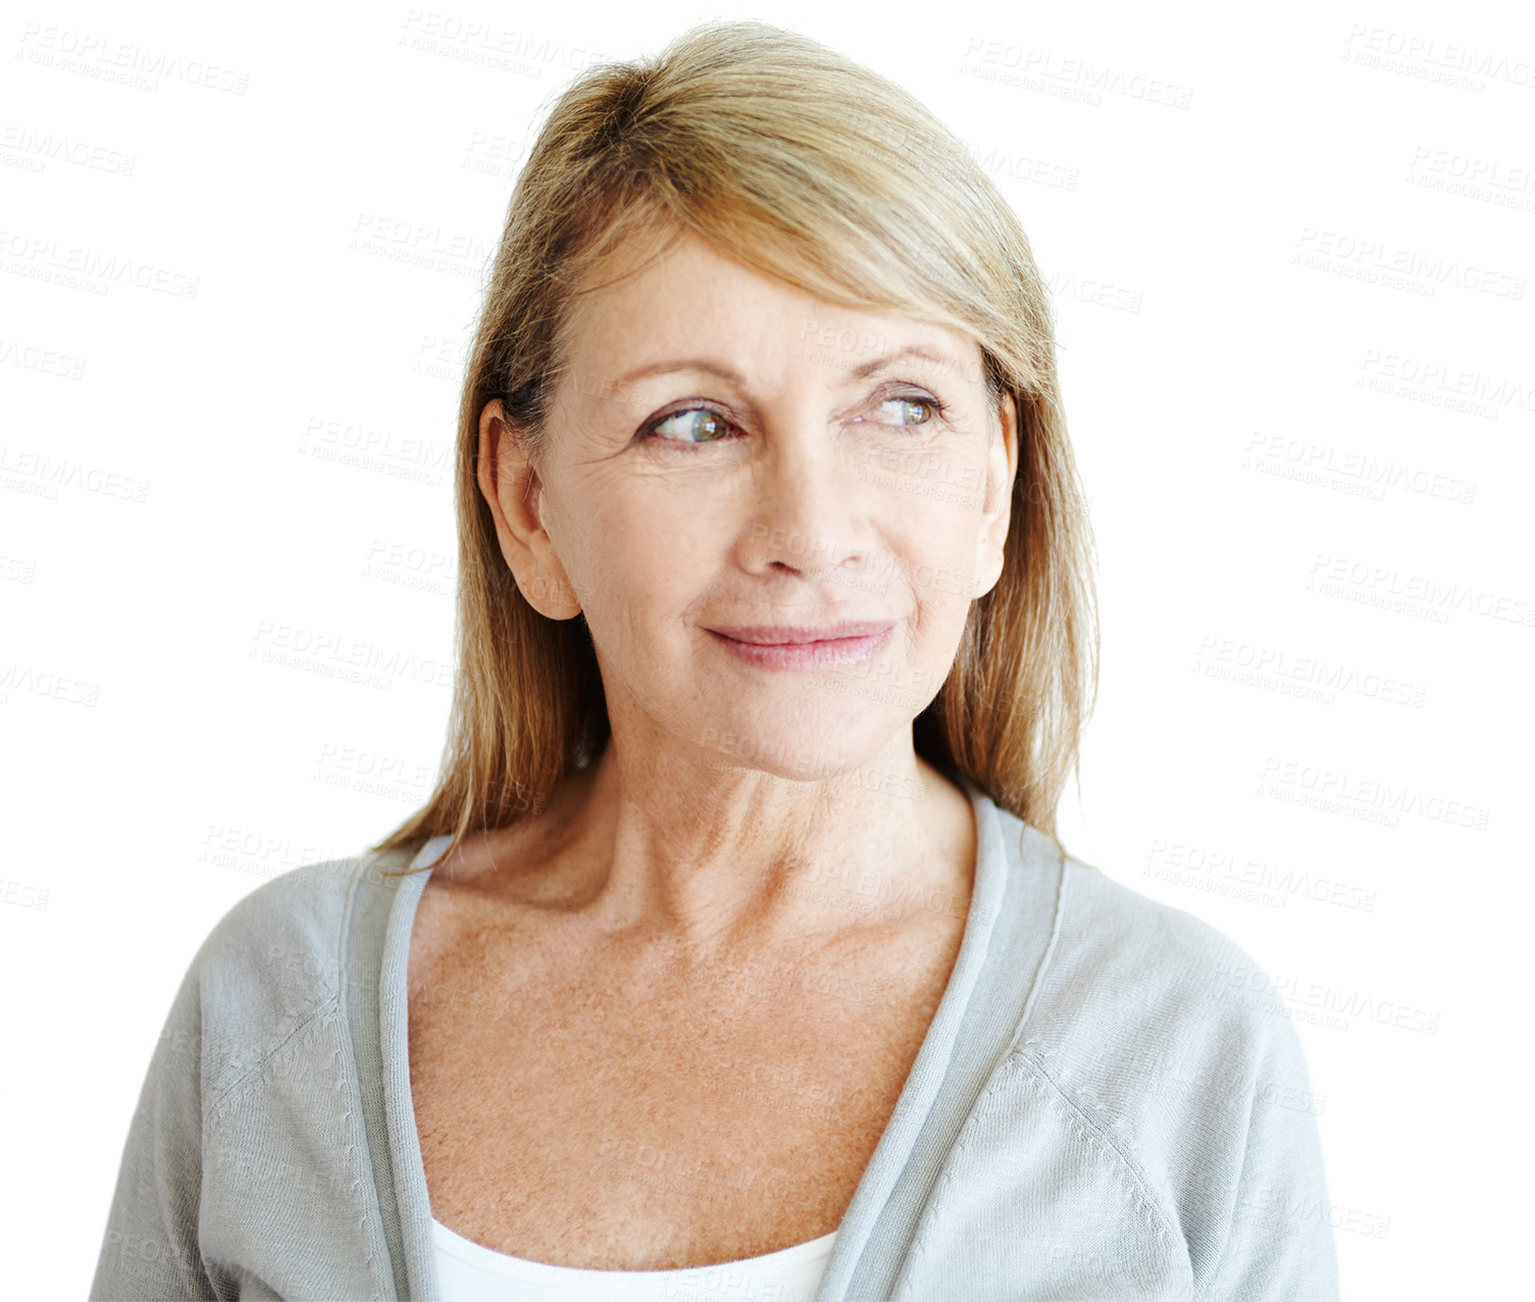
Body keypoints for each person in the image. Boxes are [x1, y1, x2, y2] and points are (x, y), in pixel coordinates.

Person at [90, 19, 1339, 1302]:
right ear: (526, 504)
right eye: (692, 422)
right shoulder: (272, 1009)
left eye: (900, 406)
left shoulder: (1178, 1050)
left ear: (994, 483)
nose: (808, 533)